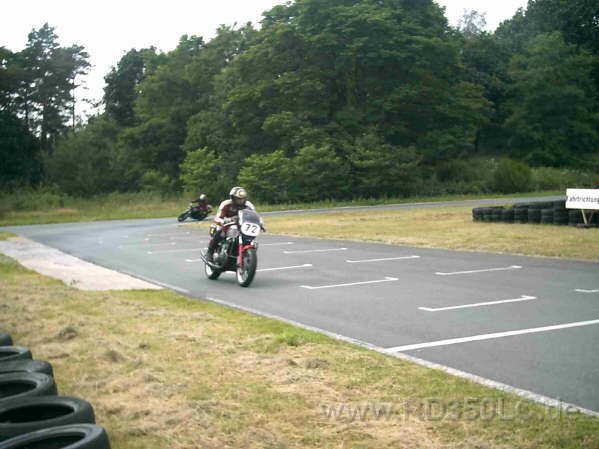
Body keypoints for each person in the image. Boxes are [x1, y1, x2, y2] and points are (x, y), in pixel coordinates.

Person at [206, 186, 257, 261]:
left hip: (242, 227)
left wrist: (260, 223)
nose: (241, 201)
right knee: (219, 232)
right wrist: (224, 220)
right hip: (227, 226)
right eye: (238, 199)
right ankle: (210, 252)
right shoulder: (226, 204)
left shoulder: (248, 205)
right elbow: (218, 217)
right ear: (232, 198)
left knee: (250, 239)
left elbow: (255, 215)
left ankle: (244, 256)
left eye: (242, 199)